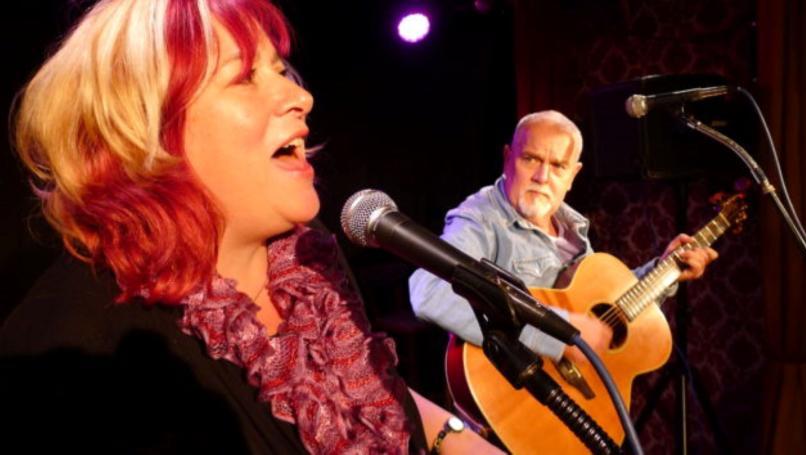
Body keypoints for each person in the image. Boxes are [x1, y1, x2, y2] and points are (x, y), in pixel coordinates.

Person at [0, 0, 500, 453]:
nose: (299, 97)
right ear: (145, 132)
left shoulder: (308, 254)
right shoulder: (72, 346)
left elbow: (366, 397)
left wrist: (456, 440)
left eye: (281, 71)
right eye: (244, 77)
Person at [409, 110, 718, 364]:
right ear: (507, 158)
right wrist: (557, 336)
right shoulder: (481, 218)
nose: (542, 177)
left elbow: (601, 308)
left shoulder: (572, 228)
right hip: (513, 399)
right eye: (530, 159)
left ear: (573, 175)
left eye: (558, 166)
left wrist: (666, 270)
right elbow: (429, 291)